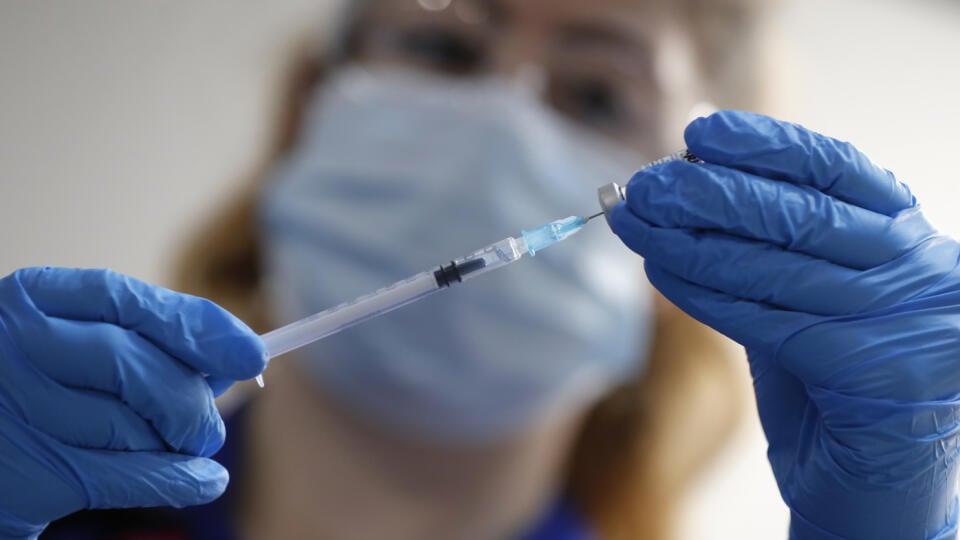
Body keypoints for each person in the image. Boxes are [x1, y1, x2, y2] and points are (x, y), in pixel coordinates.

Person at [11, 2, 958, 540]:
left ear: (698, 229)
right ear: (310, 108)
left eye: (595, 91)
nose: (498, 114)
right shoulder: (48, 489)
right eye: (441, 44)